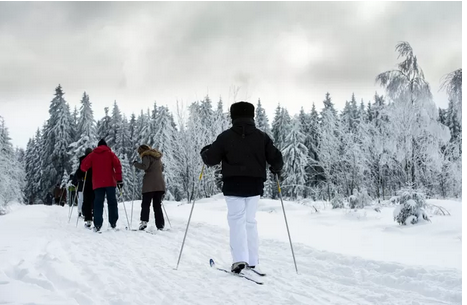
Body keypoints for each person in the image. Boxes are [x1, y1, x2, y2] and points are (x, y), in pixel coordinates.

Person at [200, 101, 283, 274]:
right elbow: (276, 158)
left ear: (233, 116)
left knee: (237, 221)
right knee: (250, 221)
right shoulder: (262, 137)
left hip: (233, 185)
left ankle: (239, 259)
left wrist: (205, 152)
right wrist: (275, 168)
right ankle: (253, 261)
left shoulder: (225, 137)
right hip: (254, 185)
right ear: (252, 116)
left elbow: (211, 159)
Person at [81, 139, 123, 232]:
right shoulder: (111, 154)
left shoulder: (93, 154)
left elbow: (83, 167)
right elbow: (118, 165)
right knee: (112, 202)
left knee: (98, 203)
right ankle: (113, 223)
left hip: (98, 183)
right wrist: (119, 180)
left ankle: (98, 224)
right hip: (110, 182)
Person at [132, 145, 166, 230]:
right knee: (157, 205)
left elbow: (145, 166)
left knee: (146, 204)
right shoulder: (157, 157)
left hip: (149, 184)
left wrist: (136, 164)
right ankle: (160, 224)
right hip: (160, 184)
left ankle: (144, 222)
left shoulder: (146, 156)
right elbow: (162, 169)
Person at [74, 148, 94, 228]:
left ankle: (88, 218)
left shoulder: (83, 159)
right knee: (94, 200)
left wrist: (78, 178)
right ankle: (95, 215)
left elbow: (80, 171)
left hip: (86, 183)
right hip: (95, 182)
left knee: (86, 201)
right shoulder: (94, 159)